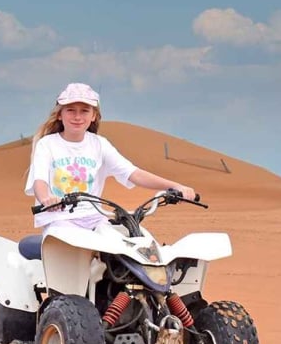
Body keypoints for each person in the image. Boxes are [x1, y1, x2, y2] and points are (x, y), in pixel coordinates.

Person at [26, 82, 196, 235]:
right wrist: (47, 199)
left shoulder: (99, 144)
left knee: (126, 241)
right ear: (60, 115)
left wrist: (175, 186)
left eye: (84, 111)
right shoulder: (47, 144)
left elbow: (133, 173)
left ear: (93, 116)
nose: (77, 117)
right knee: (71, 242)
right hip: (59, 219)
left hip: (94, 217)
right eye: (71, 110)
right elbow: (40, 181)